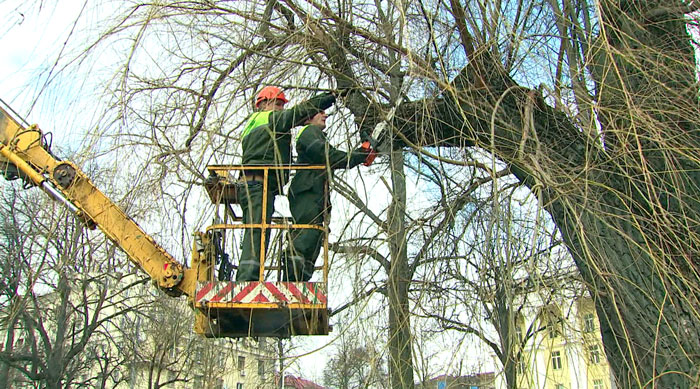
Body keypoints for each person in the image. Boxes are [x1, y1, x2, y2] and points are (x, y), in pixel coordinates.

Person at [235, 86, 336, 281]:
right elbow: (296, 114)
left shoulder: (257, 123)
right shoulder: (267, 118)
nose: (281, 108)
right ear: (263, 104)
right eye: (278, 104)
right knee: (258, 229)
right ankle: (247, 279)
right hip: (258, 182)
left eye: (282, 105)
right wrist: (329, 98)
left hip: (259, 183)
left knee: (259, 229)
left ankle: (250, 276)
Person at [284, 111, 373, 281]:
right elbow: (328, 156)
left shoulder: (315, 135)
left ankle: (299, 280)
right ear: (308, 117)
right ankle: (291, 280)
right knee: (306, 235)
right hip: (307, 191)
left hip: (314, 193)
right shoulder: (309, 132)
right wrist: (359, 155)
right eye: (320, 113)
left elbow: (331, 156)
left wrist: (359, 154)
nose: (325, 116)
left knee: (314, 237)